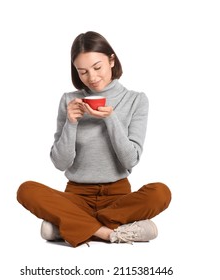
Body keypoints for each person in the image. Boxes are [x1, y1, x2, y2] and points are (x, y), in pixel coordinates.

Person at [17, 31, 171, 247]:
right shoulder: (69, 100)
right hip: (77, 197)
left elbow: (130, 160)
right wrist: (71, 123)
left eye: (97, 67)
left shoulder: (136, 100)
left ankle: (68, 227)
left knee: (160, 192)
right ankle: (109, 233)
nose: (92, 77)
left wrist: (111, 118)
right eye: (83, 72)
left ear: (111, 60)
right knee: (27, 190)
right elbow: (60, 163)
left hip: (118, 198)